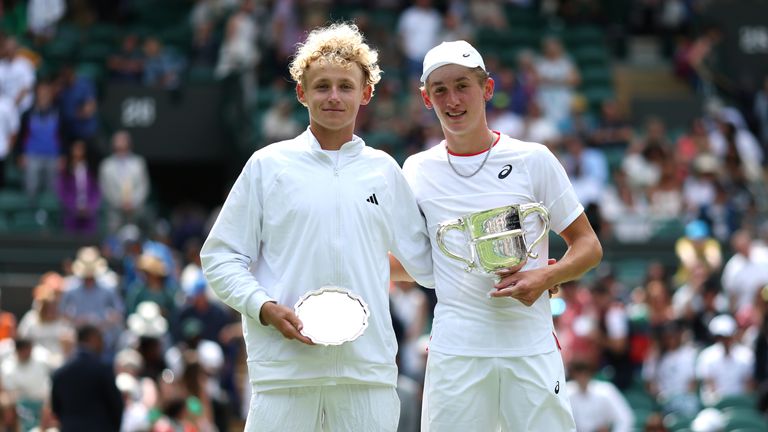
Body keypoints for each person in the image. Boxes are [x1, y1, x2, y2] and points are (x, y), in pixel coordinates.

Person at [200, 23, 434, 431]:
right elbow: (219, 257)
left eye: (345, 86)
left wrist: (514, 268)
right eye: (322, 85)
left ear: (366, 93)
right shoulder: (266, 166)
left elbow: (427, 262)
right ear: (301, 92)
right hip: (284, 378)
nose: (333, 96)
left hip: (368, 379)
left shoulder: (383, 171)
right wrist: (264, 307)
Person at [401, 40, 602, 431]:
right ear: (426, 98)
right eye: (440, 89)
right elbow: (414, 263)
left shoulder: (534, 159)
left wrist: (546, 275)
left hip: (530, 347)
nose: (453, 99)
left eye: (463, 85)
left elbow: (588, 245)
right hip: (455, 353)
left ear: (487, 89)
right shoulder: (416, 170)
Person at [50, 324, 124, 432]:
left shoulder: (60, 373)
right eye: (100, 338)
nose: (103, 343)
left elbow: (56, 408)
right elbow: (116, 405)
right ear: (92, 338)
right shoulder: (102, 369)